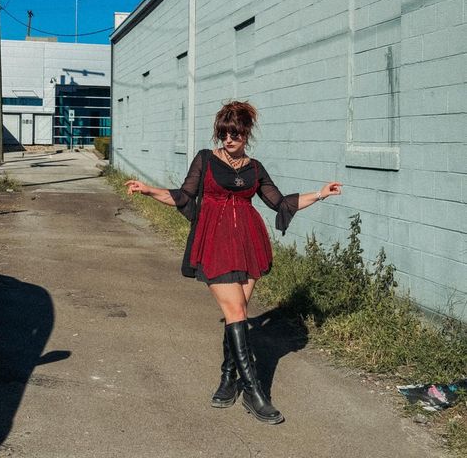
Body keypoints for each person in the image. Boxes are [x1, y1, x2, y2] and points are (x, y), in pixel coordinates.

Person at [125, 101, 342, 424]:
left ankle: (228, 377)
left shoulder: (255, 168)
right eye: (224, 133)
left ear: (246, 133)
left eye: (235, 133)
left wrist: (320, 193)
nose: (229, 139)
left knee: (234, 315)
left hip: (248, 244)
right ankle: (255, 393)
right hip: (214, 243)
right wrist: (148, 190)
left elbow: (280, 202)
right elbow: (184, 196)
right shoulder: (206, 160)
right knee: (238, 312)